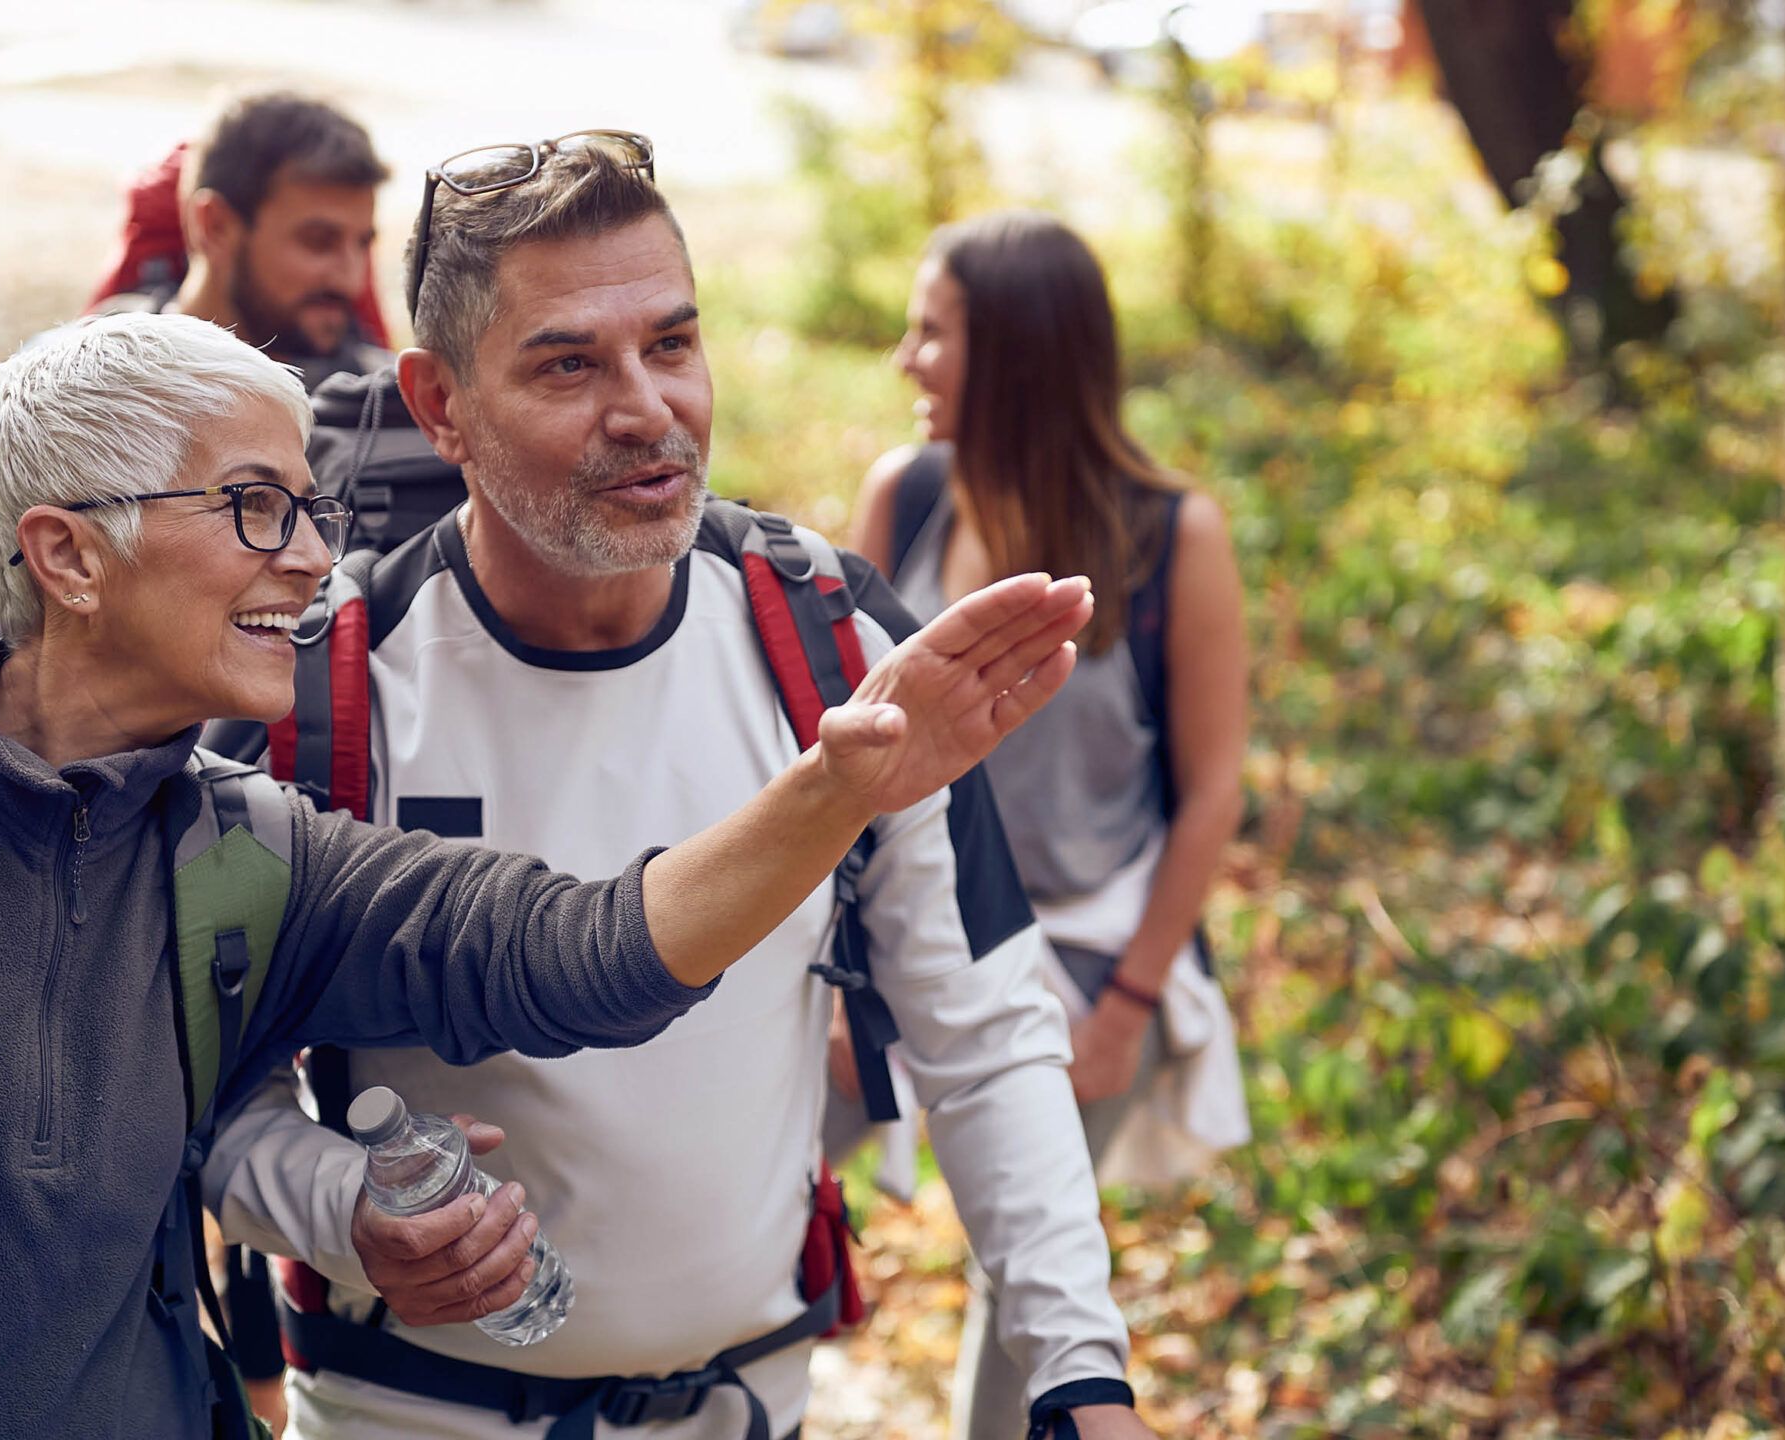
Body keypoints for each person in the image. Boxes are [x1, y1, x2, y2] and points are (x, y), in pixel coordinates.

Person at [0, 311, 1096, 1440]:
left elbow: (584, 955)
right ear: (70, 555)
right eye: (259, 509)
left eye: (315, 510)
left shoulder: (248, 856)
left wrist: (840, 785)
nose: (310, 560)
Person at [200, 138, 1155, 1440]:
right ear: (440, 408)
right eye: (568, 362)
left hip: (744, 1405)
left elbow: (985, 1037)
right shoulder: (324, 684)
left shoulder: (833, 644)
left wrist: (1079, 1374)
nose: (646, 405)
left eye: (673, 343)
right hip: (403, 1412)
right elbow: (206, 1092)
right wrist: (337, 1204)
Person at [851, 211, 1252, 1440]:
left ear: (1019, 350)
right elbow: (840, 749)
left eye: (935, 332)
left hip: (1087, 951)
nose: (907, 360)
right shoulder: (904, 497)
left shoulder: (1171, 535)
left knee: (1024, 1270)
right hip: (896, 932)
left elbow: (1211, 795)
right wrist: (829, 990)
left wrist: (1127, 1006)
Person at [88, 92, 393, 391]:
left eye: (363, 244)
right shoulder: (90, 379)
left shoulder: (388, 404)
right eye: (318, 242)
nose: (351, 279)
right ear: (215, 227)